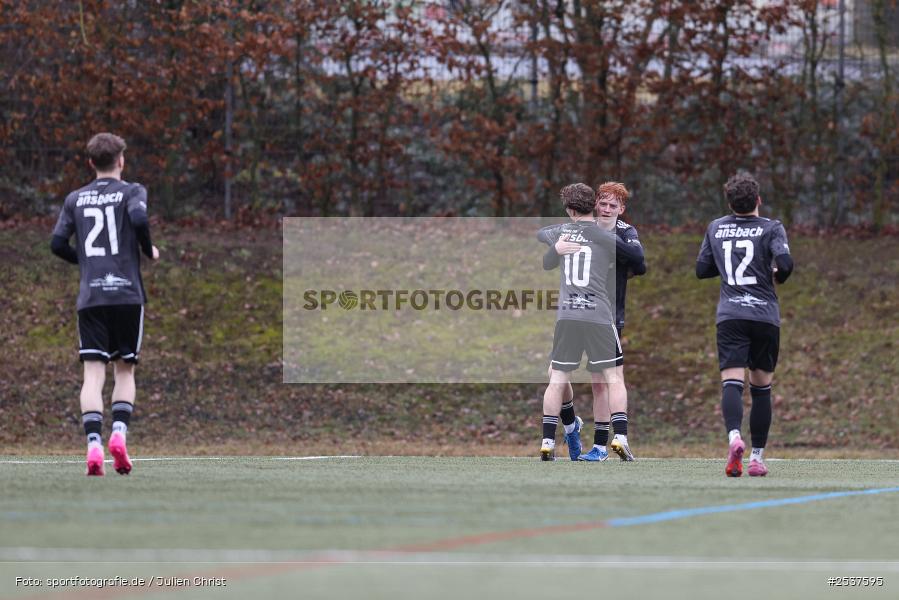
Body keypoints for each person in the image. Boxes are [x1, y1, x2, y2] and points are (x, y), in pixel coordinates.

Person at [50, 133, 159, 476]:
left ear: (90, 163)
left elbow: (56, 244)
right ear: (121, 161)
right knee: (124, 370)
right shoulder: (133, 191)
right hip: (126, 294)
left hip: (91, 297)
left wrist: (85, 262)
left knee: (93, 374)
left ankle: (94, 443)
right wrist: (147, 249)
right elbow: (139, 220)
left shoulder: (74, 199)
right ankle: (120, 435)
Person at [538, 182, 645, 461]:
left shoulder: (622, 232)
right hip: (592, 313)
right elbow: (546, 242)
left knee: (599, 382)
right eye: (603, 204)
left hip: (600, 313)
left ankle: (597, 445)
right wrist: (558, 247)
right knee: (558, 374)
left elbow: (639, 261)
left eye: (614, 206)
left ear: (622, 209)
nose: (608, 209)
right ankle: (572, 424)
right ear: (594, 205)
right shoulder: (591, 231)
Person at [695, 172, 793, 477]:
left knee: (732, 383)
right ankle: (757, 458)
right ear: (758, 200)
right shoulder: (771, 227)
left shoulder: (716, 227)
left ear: (729, 202)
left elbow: (702, 269)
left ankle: (734, 437)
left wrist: (726, 263)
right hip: (764, 315)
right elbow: (786, 266)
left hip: (731, 316)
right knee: (761, 388)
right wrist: (776, 272)